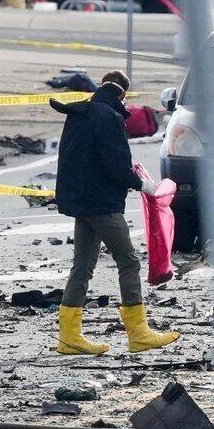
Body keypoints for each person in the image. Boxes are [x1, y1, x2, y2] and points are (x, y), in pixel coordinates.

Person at [51, 70, 177, 355]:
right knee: (129, 261)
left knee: (82, 265)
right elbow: (116, 166)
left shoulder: (80, 113)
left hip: (80, 200)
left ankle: (69, 336)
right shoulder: (109, 118)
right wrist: (143, 184)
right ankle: (138, 333)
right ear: (123, 94)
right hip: (101, 204)